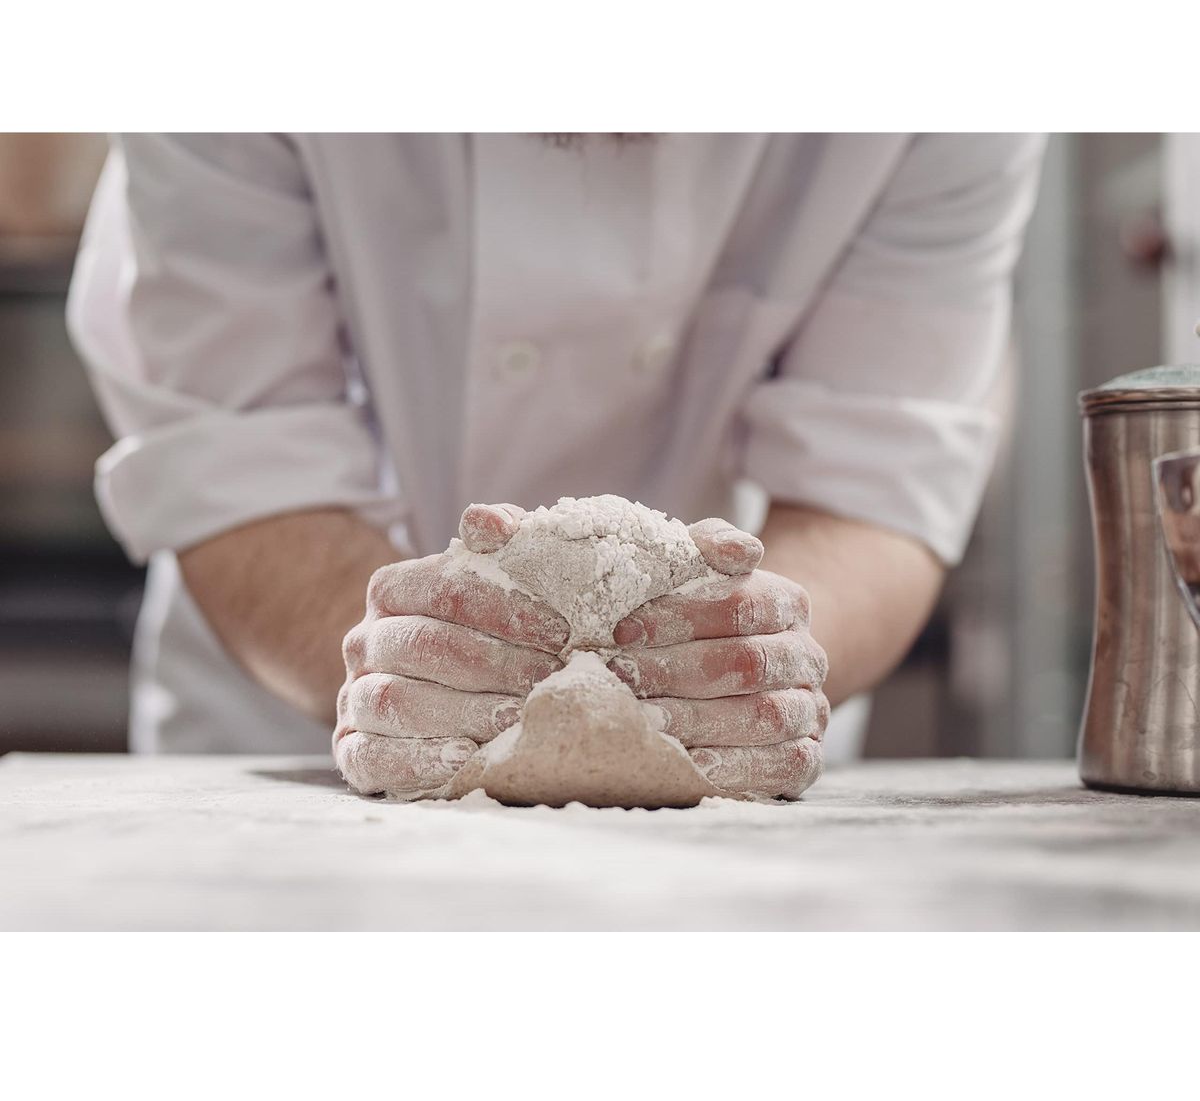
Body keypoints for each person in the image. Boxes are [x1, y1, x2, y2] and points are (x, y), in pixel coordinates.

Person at [68, 133, 1044, 794]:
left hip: (722, 788)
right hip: (307, 759)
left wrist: (736, 671)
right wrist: (415, 676)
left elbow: (872, 487)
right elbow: (244, 462)